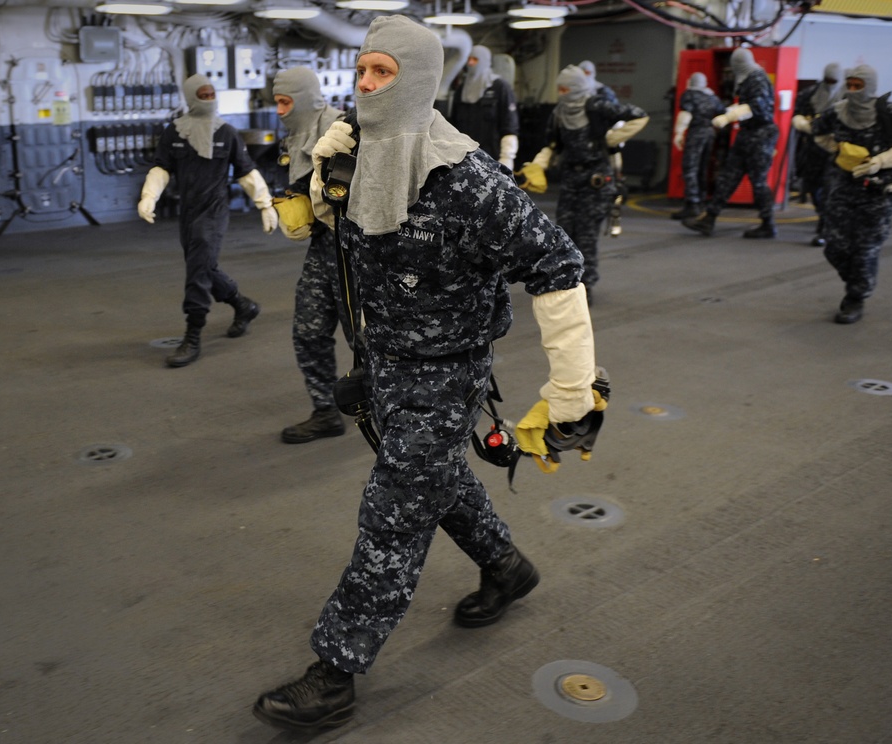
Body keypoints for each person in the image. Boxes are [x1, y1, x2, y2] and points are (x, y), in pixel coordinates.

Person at [251, 15, 603, 732]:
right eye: (363, 70)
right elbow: (342, 252)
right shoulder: (355, 152)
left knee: (392, 513)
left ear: (417, 79)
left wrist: (571, 391)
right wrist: (317, 185)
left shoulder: (464, 178)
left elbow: (558, 263)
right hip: (383, 364)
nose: (368, 85)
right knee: (434, 482)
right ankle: (506, 566)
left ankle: (338, 670)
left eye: (385, 72)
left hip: (446, 375)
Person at [138, 74, 277, 368]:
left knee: (198, 267)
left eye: (212, 93)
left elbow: (246, 172)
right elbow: (161, 168)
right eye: (202, 94)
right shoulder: (174, 132)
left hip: (214, 211)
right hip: (187, 211)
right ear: (190, 97)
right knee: (202, 265)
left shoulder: (226, 133)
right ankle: (243, 305)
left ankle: (193, 333)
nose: (209, 98)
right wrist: (149, 196)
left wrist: (265, 204)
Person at [798, 64, 892, 324]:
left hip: (877, 192)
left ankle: (855, 297)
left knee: (866, 249)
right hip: (842, 188)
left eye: (858, 86)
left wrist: (881, 161)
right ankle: (855, 282)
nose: (853, 91)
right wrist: (838, 149)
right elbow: (818, 133)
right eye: (850, 85)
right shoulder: (838, 111)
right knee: (834, 247)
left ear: (871, 86)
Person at [517, 64, 649, 304]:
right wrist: (538, 165)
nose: (562, 93)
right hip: (571, 180)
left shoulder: (596, 106)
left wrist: (611, 139)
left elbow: (639, 115)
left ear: (577, 88)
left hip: (596, 182)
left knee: (586, 236)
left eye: (566, 88)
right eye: (560, 89)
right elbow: (552, 144)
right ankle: (568, 282)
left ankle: (586, 285)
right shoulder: (560, 112)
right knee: (564, 233)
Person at [271, 66, 352, 444]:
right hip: (324, 248)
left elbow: (354, 194)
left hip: (357, 249)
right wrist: (294, 207)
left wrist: (319, 206)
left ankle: (391, 413)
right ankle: (325, 411)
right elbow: (298, 182)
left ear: (303, 98)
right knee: (308, 329)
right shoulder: (293, 136)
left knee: (366, 338)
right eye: (276, 103)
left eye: (286, 102)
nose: (280, 111)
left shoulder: (344, 132)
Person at [682, 47, 779, 239]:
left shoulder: (757, 79)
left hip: (760, 135)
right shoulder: (750, 78)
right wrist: (730, 112)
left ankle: (768, 224)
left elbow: (756, 107)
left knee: (758, 182)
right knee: (728, 176)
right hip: (748, 134)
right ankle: (709, 218)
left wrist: (730, 117)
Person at [791, 62, 843, 245]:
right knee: (812, 186)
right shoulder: (810, 94)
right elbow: (797, 113)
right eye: (828, 80)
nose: (830, 84)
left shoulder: (847, 97)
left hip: (836, 151)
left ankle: (826, 228)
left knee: (831, 189)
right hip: (813, 149)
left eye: (834, 81)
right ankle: (822, 213)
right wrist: (802, 123)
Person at [448, 44, 520, 170]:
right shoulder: (461, 90)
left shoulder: (500, 87)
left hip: (492, 158)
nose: (470, 63)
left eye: (475, 60)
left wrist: (507, 157)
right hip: (464, 159)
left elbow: (509, 125)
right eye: (469, 59)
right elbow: (453, 125)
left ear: (484, 61)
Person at [671, 71, 726, 220]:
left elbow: (685, 115)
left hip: (696, 132)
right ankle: (701, 201)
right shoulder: (712, 97)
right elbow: (723, 113)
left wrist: (679, 133)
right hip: (710, 133)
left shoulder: (689, 95)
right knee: (702, 168)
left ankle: (692, 204)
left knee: (689, 167)